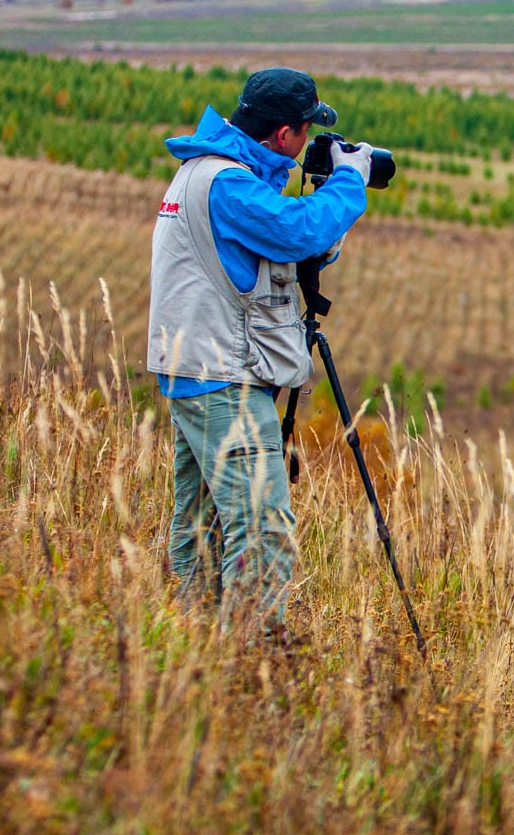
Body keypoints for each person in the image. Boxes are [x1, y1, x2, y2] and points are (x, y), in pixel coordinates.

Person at [146, 67, 377, 629]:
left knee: (200, 521)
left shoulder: (209, 173)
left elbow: (280, 252)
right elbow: (298, 232)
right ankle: (251, 665)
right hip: (222, 376)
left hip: (197, 370)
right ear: (282, 136)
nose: (304, 149)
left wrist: (319, 225)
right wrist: (350, 181)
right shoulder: (227, 184)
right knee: (261, 527)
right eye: (304, 133)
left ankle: (191, 642)